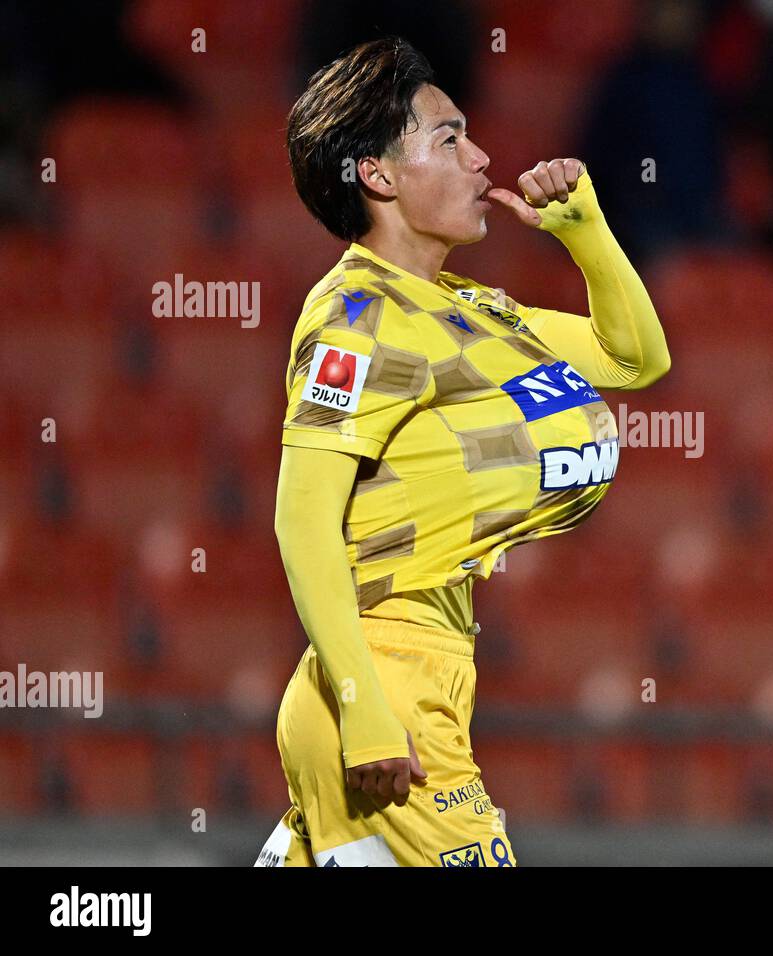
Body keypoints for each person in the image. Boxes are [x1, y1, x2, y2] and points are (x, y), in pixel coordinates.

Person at [254, 37, 670, 867]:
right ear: (376, 175)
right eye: (448, 140)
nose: (483, 159)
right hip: (383, 688)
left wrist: (585, 234)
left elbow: (636, 359)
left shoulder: (471, 308)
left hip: (427, 671)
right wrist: (364, 708)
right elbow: (302, 520)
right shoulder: (356, 320)